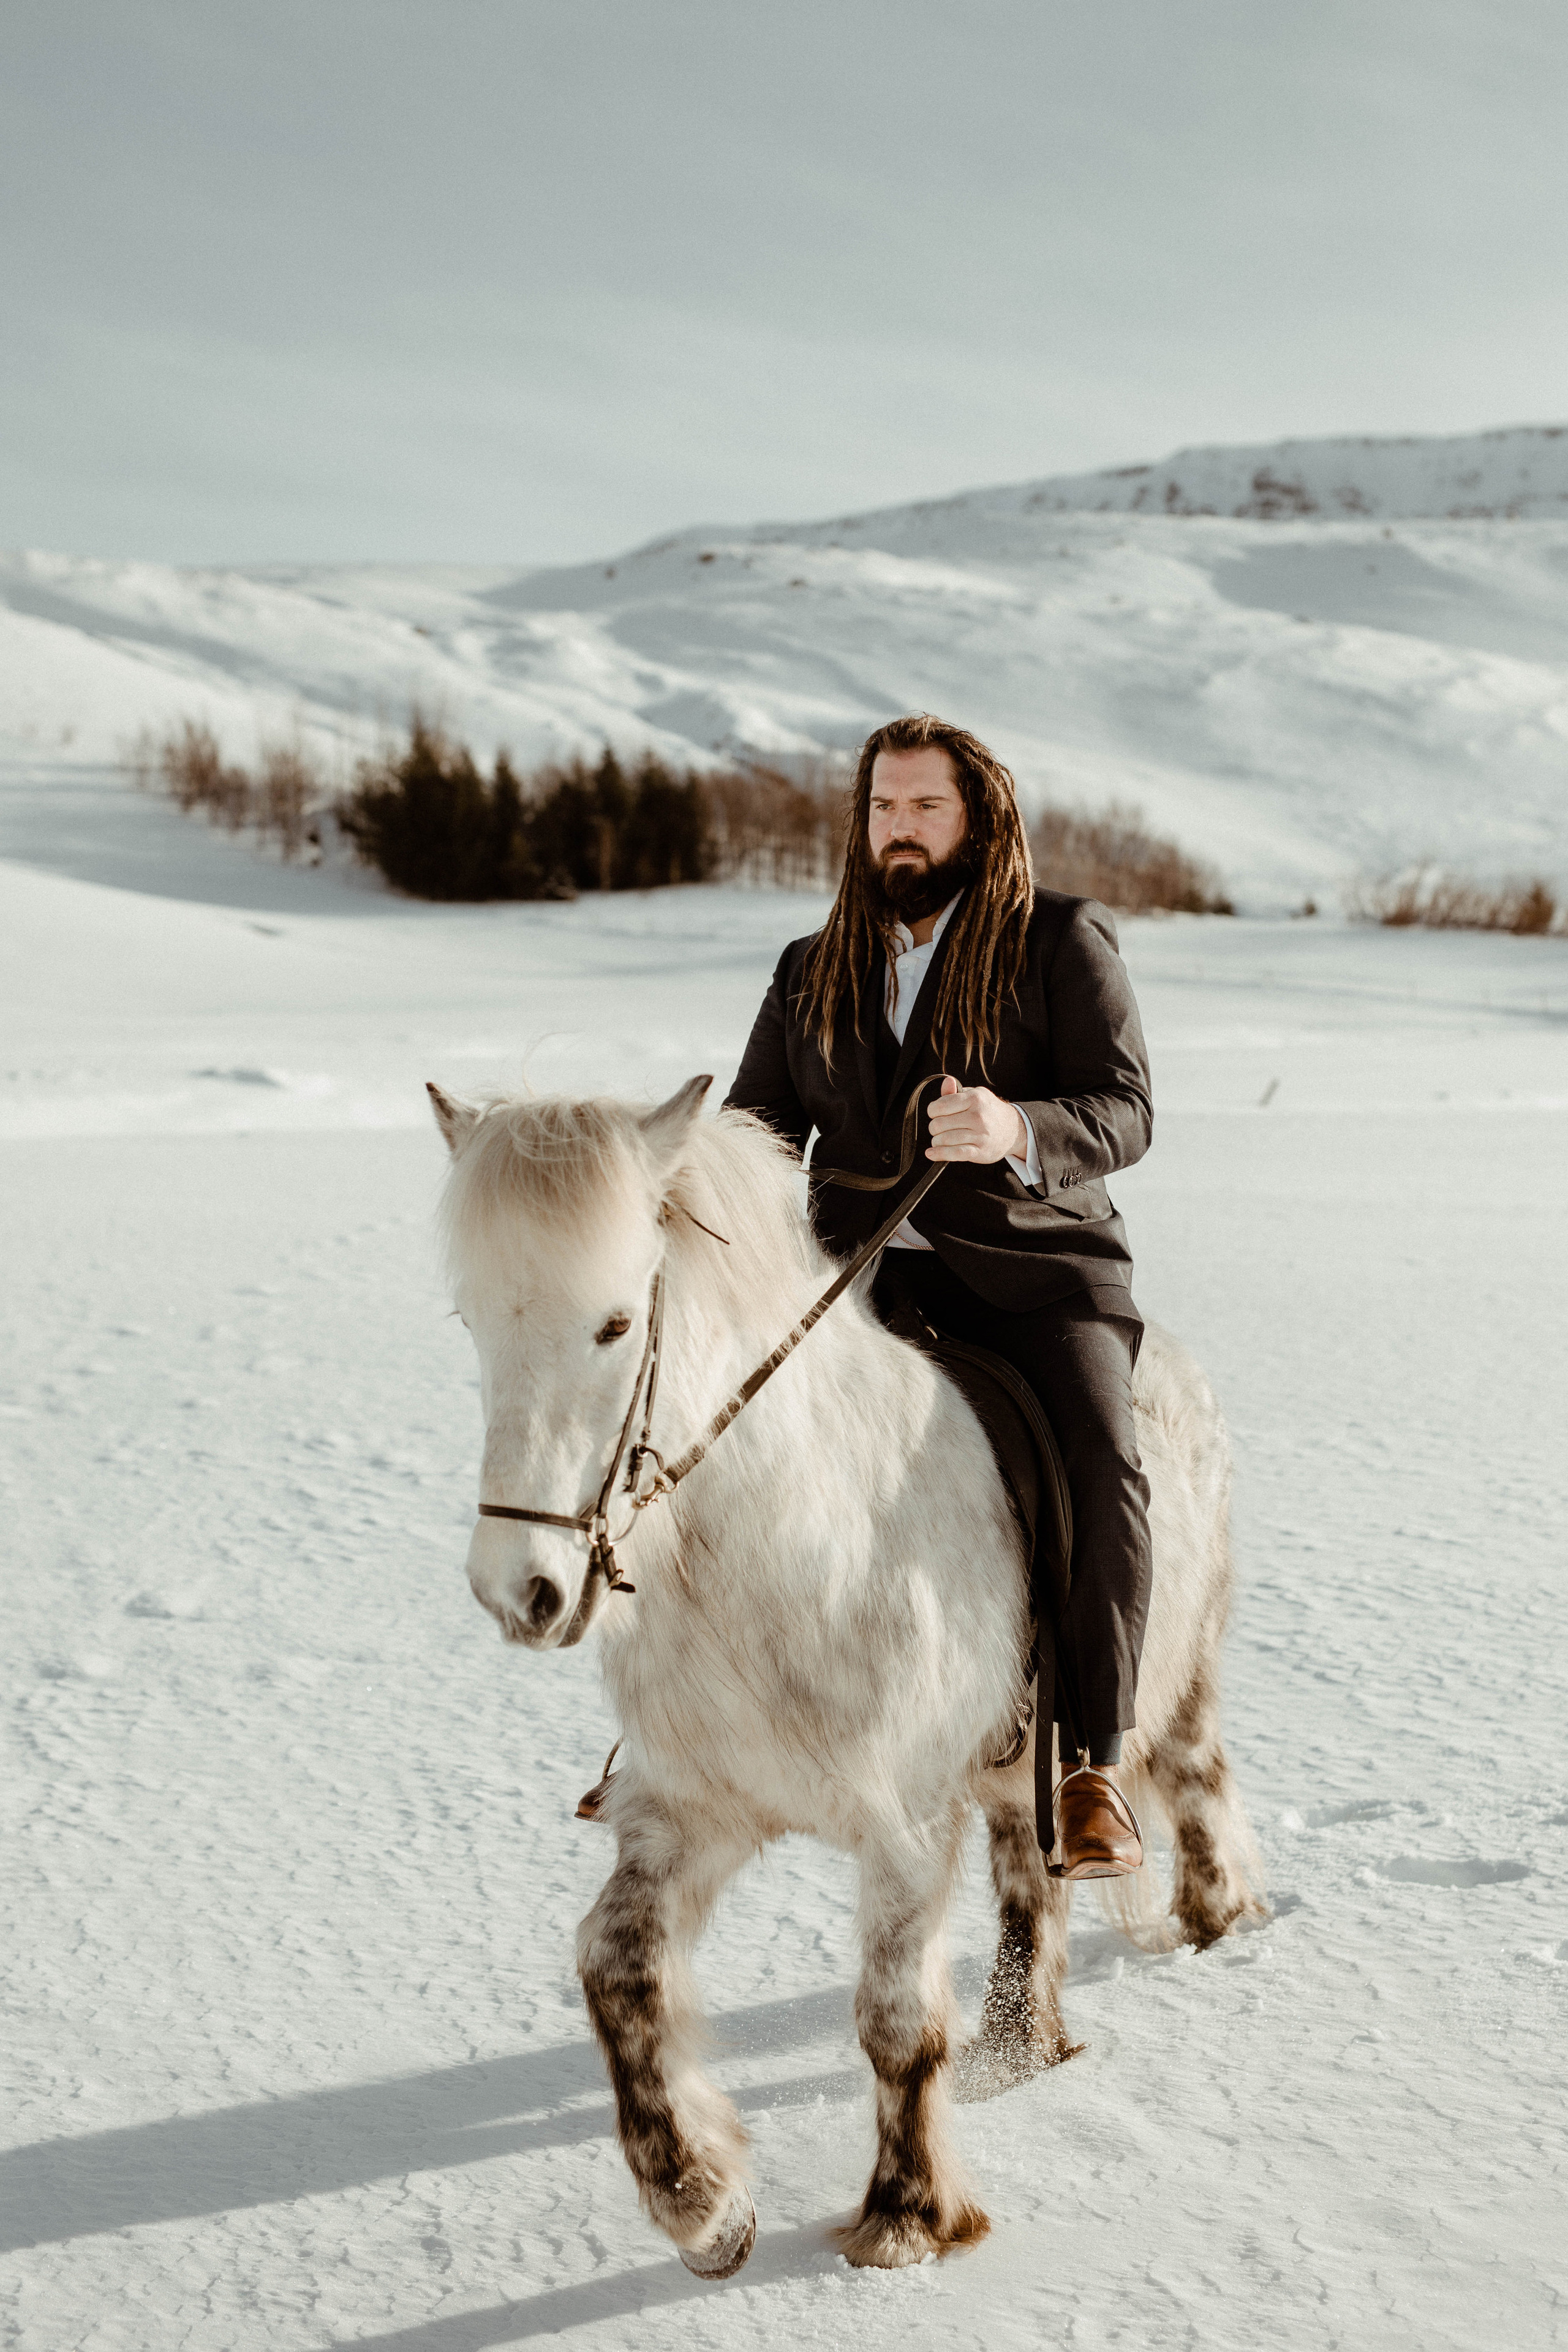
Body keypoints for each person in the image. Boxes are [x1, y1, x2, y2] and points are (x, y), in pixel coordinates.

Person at [725, 712, 1153, 1876]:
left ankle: (1094, 1768)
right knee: (707, 1437)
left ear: (978, 818)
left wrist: (1016, 1125)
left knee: (1104, 1468)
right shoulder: (812, 966)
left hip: (1035, 1276)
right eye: (882, 807)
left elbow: (1125, 1110)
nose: (899, 830)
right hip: (855, 1285)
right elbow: (759, 1130)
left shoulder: (1059, 938)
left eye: (924, 807)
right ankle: (688, 1741)